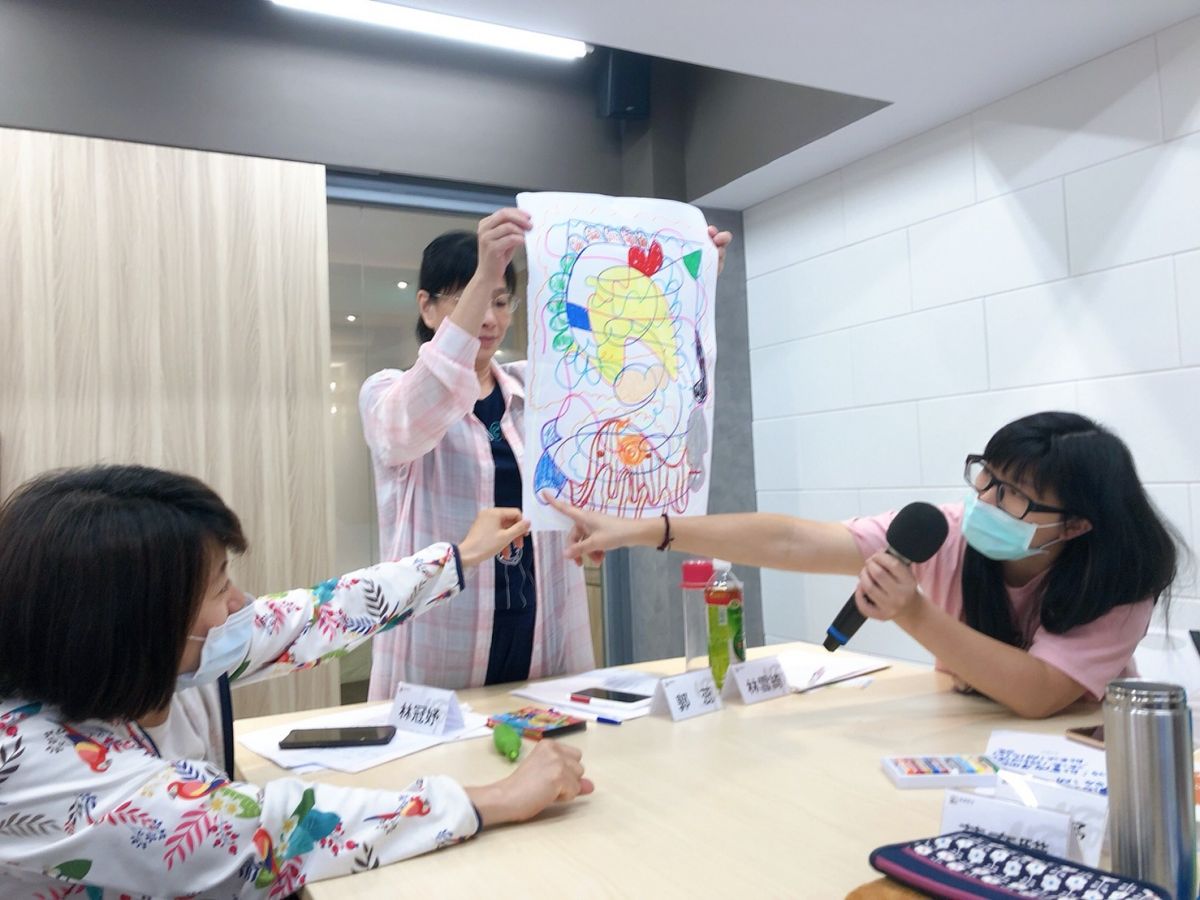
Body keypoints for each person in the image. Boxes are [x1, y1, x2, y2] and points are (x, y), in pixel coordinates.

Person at [0, 465, 593, 897]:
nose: (240, 603)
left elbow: (317, 614)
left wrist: (458, 558)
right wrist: (493, 799)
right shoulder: (26, 763)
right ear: (135, 626)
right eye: (219, 588)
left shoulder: (137, 657)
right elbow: (264, 826)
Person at [548, 412, 1180, 719]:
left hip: (1067, 758)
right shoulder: (943, 532)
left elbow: (1039, 694)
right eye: (985, 476)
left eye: (1012, 494)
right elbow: (794, 541)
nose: (984, 500)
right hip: (960, 732)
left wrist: (913, 613)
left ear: (1076, 525)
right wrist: (651, 529)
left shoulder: (1122, 580)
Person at [360, 208, 732, 693]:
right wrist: (487, 270)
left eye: (500, 301)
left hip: (541, 633)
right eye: (472, 299)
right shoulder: (386, 392)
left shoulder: (536, 388)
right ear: (427, 308)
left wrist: (689, 285)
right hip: (442, 641)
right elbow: (412, 420)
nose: (489, 318)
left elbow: (626, 374)